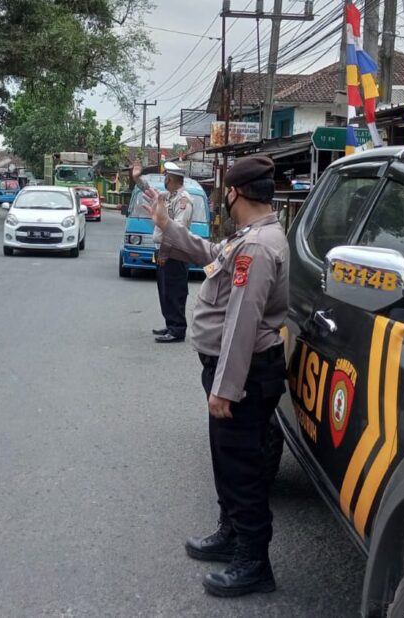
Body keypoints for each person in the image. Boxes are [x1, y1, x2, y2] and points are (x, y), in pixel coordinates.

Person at [144, 155, 289, 597]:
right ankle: (231, 535)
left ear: (233, 193)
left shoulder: (258, 247)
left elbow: (243, 322)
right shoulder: (247, 238)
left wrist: (225, 388)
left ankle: (254, 563)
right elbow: (210, 255)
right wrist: (168, 225)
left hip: (243, 374)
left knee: (243, 469)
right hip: (234, 371)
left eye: (222, 192)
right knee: (228, 462)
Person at [132, 161, 195, 343]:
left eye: (167, 177)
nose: (165, 180)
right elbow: (151, 192)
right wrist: (137, 178)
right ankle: (171, 324)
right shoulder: (169, 196)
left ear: (172, 179)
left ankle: (177, 329)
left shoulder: (183, 200)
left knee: (175, 290)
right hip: (164, 250)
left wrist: (166, 250)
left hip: (174, 252)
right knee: (165, 290)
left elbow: (178, 229)